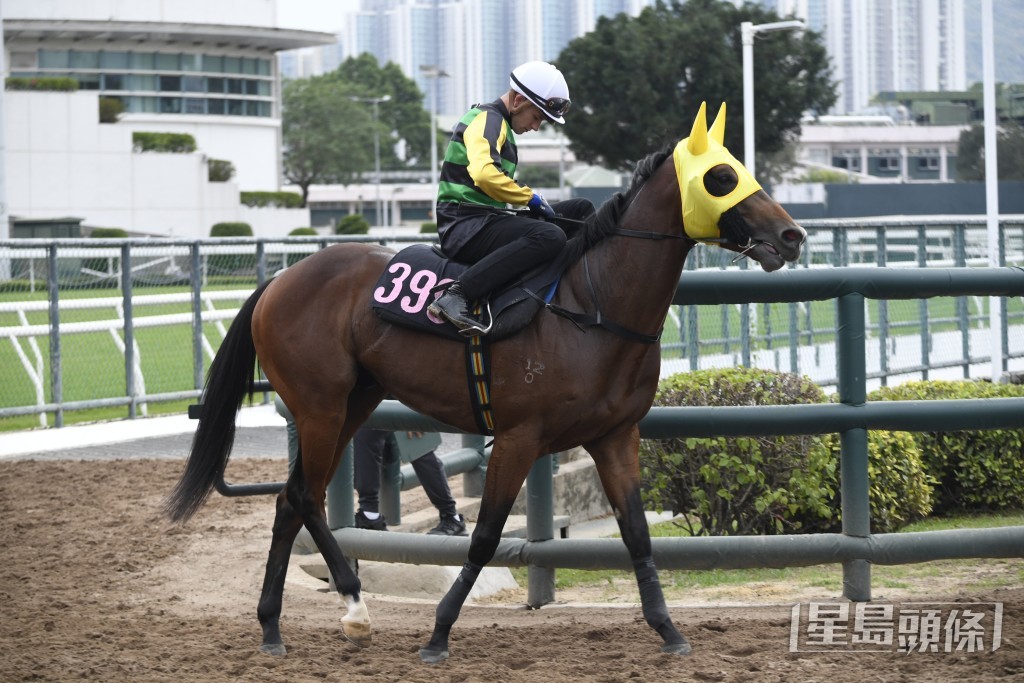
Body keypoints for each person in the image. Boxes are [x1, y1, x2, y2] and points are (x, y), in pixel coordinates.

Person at [428, 60, 596, 336]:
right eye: (537, 117)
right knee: (550, 236)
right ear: (518, 101)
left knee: (581, 209)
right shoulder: (487, 119)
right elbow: (484, 175)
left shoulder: (500, 123)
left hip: (484, 219)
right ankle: (458, 294)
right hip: (464, 227)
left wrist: (528, 200)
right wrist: (528, 198)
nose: (536, 126)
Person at [353, 426, 467, 536]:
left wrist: (416, 417)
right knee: (364, 432)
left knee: (417, 445)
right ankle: (369, 515)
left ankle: (452, 517)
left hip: (410, 413)